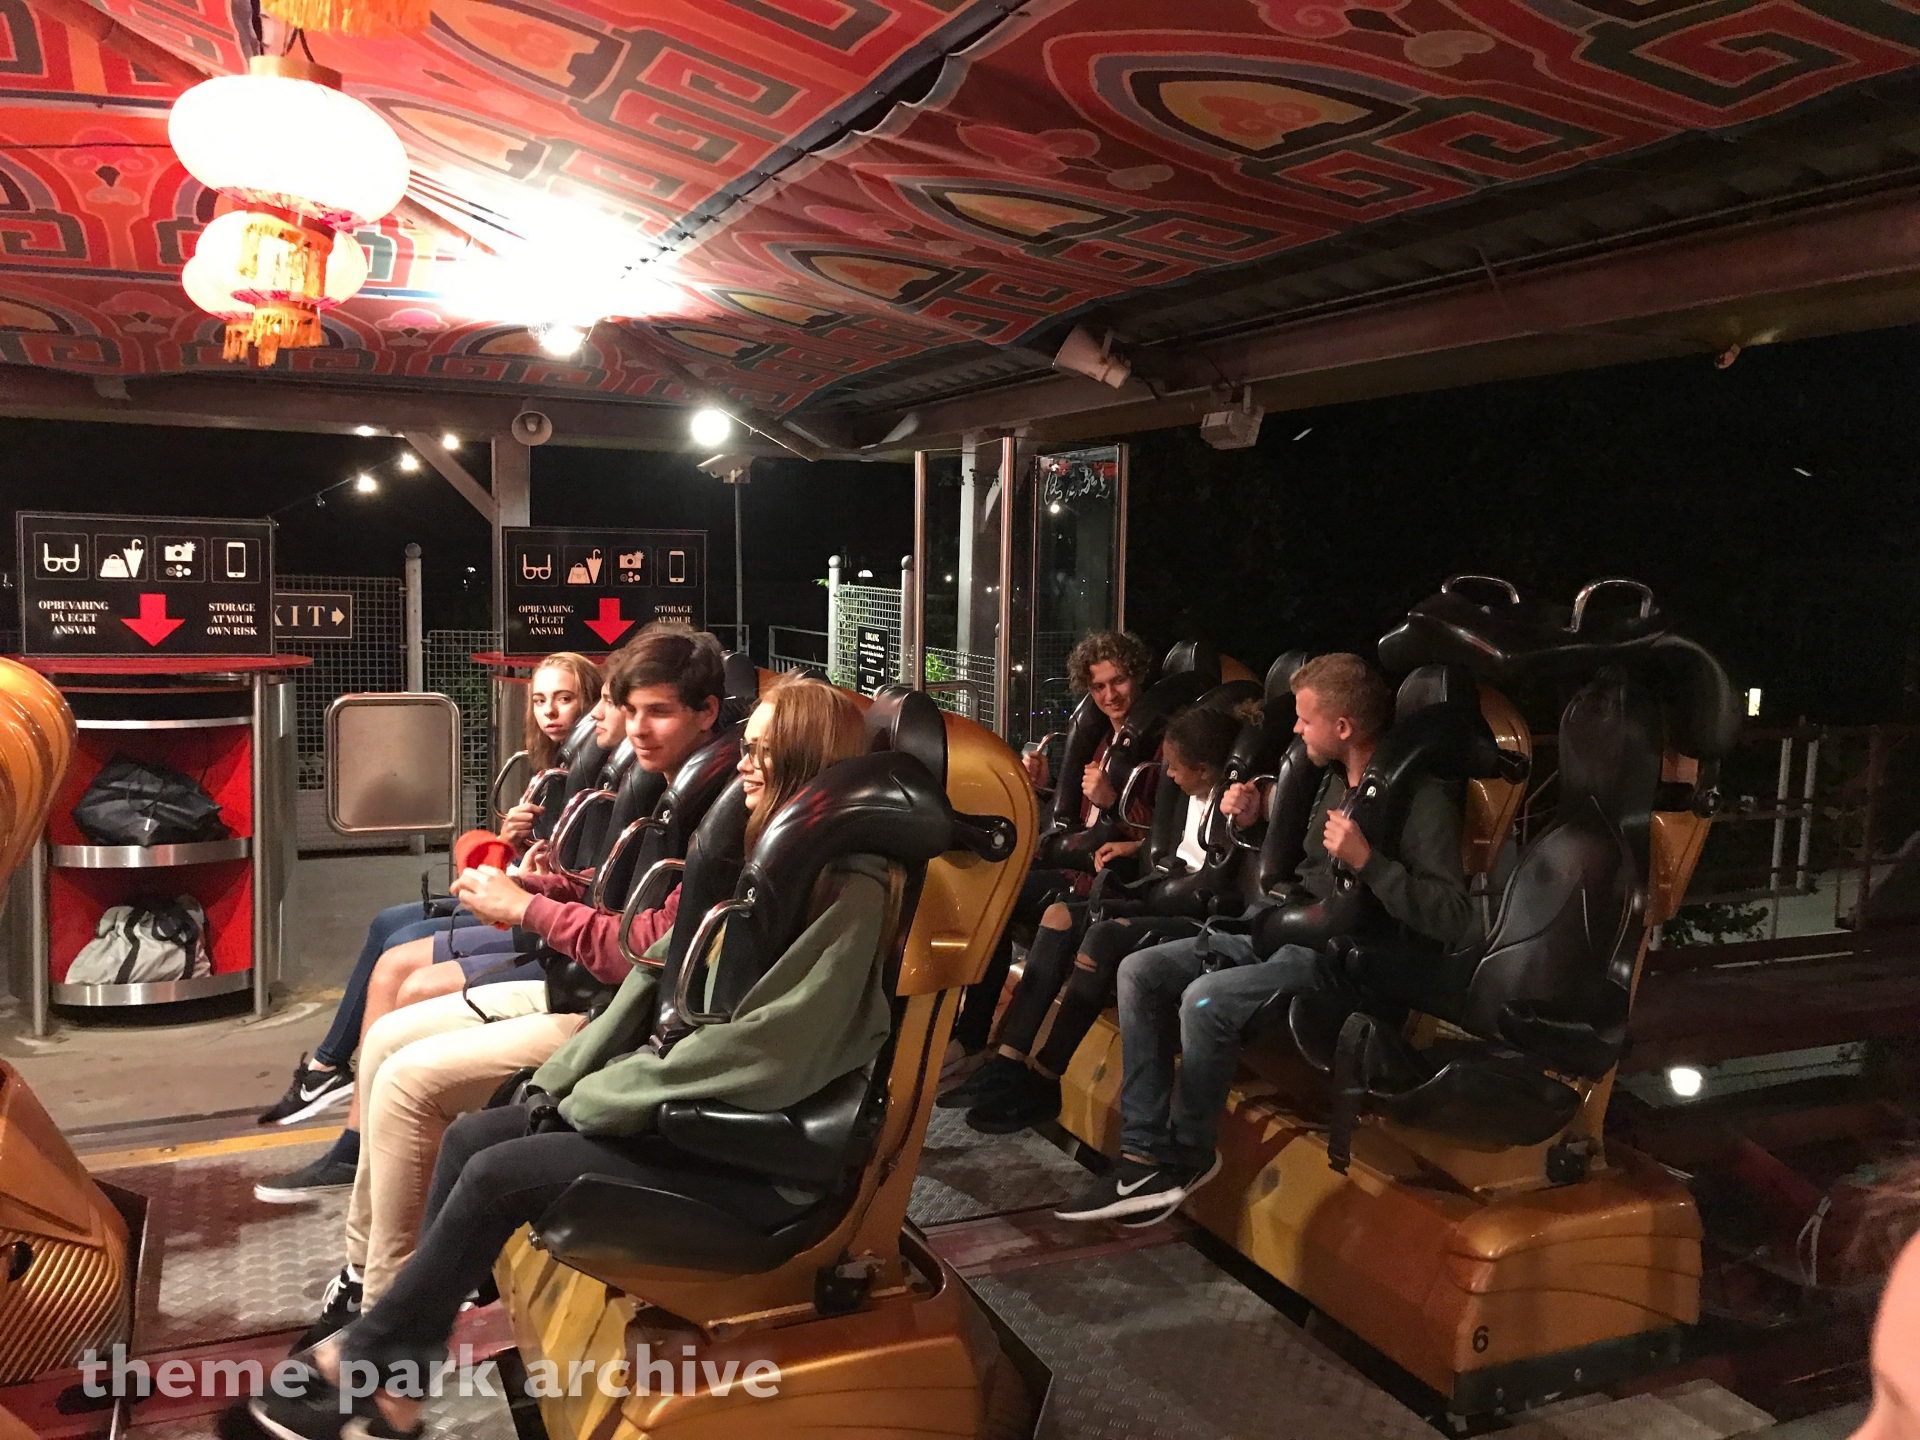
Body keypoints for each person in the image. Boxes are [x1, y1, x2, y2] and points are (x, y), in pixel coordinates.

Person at [251, 677, 886, 1440]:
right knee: (472, 1137)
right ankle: (396, 1388)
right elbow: (654, 978)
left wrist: (610, 1096)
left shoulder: (847, 889)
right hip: (686, 1105)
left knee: (497, 1176)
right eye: (746, 748)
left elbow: (771, 1049)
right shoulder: (768, 863)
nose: (745, 764)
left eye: (765, 750)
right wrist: (564, 1083)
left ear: (809, 759)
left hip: (748, 1153)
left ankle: (365, 1356)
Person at [280, 627, 736, 1344]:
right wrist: (535, 885)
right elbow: (616, 898)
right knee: (388, 1041)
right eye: (628, 711)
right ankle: (366, 1282)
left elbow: (646, 948)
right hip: (594, 992)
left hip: (611, 1018)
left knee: (408, 1078)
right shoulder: (672, 787)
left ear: (710, 713)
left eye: (658, 713)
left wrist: (528, 908)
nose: (634, 729)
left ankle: (384, 1313)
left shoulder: (718, 807)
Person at [1056, 652, 1475, 1227]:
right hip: (1279, 929)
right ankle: (1142, 1155)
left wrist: (1370, 863)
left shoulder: (1419, 799)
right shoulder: (1331, 781)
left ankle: (1189, 1154)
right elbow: (1294, 863)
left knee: (1205, 1001)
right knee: (1140, 970)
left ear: (1343, 727)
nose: (1296, 730)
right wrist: (1253, 817)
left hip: (1340, 960)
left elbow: (1454, 918)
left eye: (1305, 719)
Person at [255, 653, 601, 1131]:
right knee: (387, 923)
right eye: (540, 700)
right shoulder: (552, 769)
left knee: (402, 951)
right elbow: (538, 863)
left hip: (542, 920)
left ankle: (348, 1093)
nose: (551, 712)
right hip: (525, 896)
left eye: (565, 699)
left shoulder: (594, 779)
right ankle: (330, 1067)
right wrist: (512, 840)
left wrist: (530, 872)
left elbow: (576, 881)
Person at [952, 703, 1240, 1135]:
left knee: (1101, 938)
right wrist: (1134, 849)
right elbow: (1165, 845)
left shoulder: (1232, 804)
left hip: (1193, 912)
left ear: (1202, 770)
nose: (1170, 775)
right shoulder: (1181, 794)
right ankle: (1009, 1061)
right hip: (1157, 890)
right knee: (1058, 917)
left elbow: (1207, 866)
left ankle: (1046, 1076)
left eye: (1177, 768)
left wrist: (1123, 820)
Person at [944, 629, 1159, 1084]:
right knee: (990, 897)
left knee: (1024, 906)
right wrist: (1038, 787)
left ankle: (999, 1054)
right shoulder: (1098, 739)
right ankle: (971, 1037)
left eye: (1118, 681)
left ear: (1137, 676)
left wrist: (1113, 799)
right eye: (1098, 686)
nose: (1109, 695)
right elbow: (1071, 818)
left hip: (1109, 876)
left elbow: (1162, 833)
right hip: (1072, 865)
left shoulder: (1156, 746)